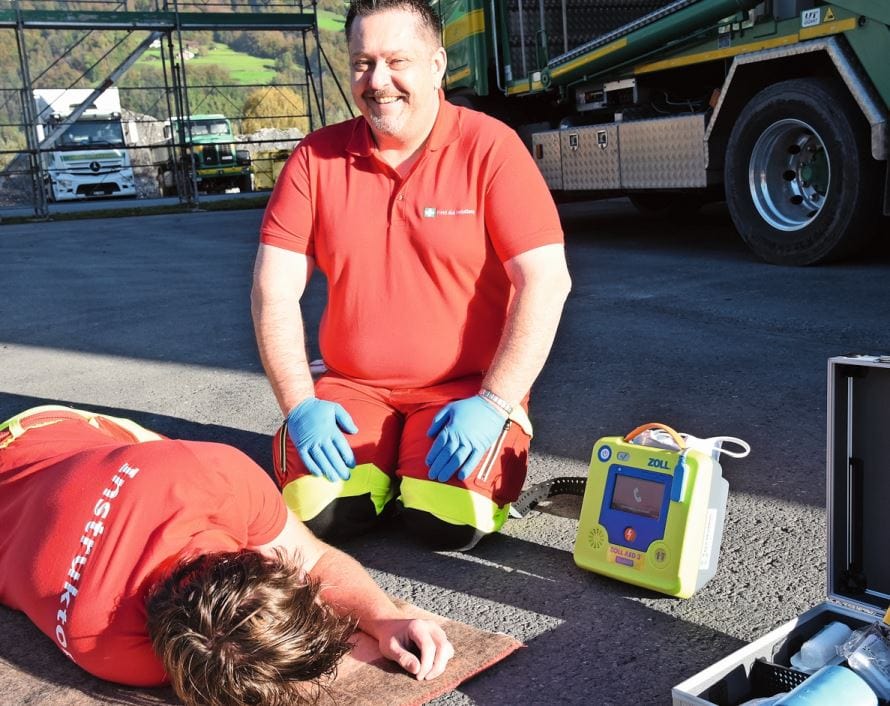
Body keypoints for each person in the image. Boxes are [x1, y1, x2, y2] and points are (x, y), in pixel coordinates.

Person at [252, 0, 571, 552]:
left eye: (397, 60)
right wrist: (299, 404)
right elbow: (272, 293)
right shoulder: (315, 158)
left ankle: (417, 464)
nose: (379, 82)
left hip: (466, 393)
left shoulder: (490, 147)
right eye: (361, 63)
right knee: (320, 516)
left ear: (437, 64)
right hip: (353, 386)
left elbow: (546, 281)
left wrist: (496, 403)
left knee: (449, 522)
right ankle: (389, 462)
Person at [0, 405, 453, 706]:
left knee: (158, 455)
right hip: (51, 445)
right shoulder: (107, 650)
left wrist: (382, 615)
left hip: (54, 434)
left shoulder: (211, 472)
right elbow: (306, 557)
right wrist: (380, 615)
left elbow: (308, 558)